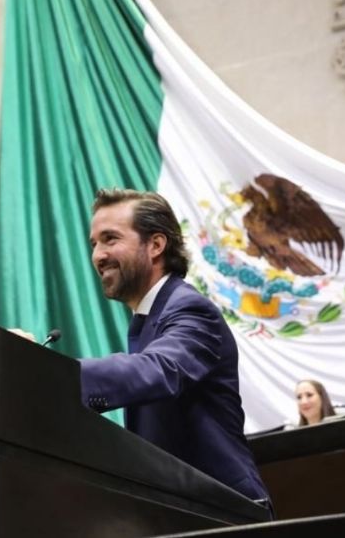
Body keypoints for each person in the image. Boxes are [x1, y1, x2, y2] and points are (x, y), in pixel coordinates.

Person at [79, 188, 272, 515]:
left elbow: (157, 371)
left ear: (155, 245)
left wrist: (47, 371)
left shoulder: (191, 309)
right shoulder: (145, 321)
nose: (98, 255)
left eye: (110, 239)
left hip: (226, 513)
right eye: (94, 243)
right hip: (181, 512)